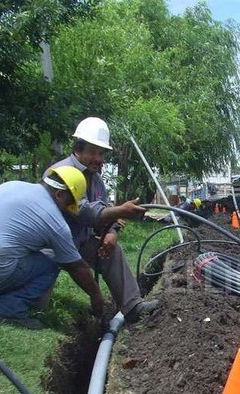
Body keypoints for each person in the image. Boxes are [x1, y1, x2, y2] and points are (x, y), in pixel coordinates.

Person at [0, 166, 106, 329]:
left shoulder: (10, 186)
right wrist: (96, 297)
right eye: (69, 204)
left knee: (16, 254)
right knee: (51, 264)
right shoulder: (53, 220)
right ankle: (9, 311)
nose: (67, 210)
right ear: (59, 195)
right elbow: (76, 266)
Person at [46, 117, 158, 323]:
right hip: (52, 245)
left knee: (112, 251)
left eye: (101, 153)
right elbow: (85, 213)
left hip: (79, 240)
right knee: (40, 295)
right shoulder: (61, 174)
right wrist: (121, 211)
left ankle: (133, 306)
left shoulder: (96, 180)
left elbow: (104, 211)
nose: (98, 158)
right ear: (78, 149)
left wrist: (112, 233)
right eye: (93, 152)